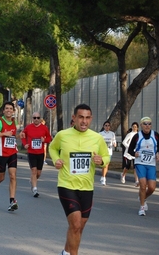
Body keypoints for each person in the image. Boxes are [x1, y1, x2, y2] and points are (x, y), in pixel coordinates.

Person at [49, 104, 109, 255]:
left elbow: (106, 156)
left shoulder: (97, 138)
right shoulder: (62, 135)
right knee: (75, 223)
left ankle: (66, 252)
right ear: (74, 118)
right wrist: (56, 160)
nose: (84, 121)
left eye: (87, 118)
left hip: (87, 187)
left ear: (91, 119)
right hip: (66, 184)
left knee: (79, 226)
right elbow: (52, 148)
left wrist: (101, 160)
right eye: (81, 117)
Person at [0, 101, 20, 211]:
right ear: (3, 111)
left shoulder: (14, 122)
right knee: (1, 177)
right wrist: (3, 134)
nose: (9, 110)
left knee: (13, 176)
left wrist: (20, 135)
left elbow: (13, 136)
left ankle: (12, 201)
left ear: (13, 111)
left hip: (12, 153)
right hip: (1, 153)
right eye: (7, 108)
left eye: (11, 109)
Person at [128, 117, 159, 216]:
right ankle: (142, 207)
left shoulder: (155, 135)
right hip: (140, 163)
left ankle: (143, 197)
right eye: (145, 124)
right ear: (141, 125)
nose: (147, 126)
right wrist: (135, 154)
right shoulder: (137, 136)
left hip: (151, 164)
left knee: (151, 188)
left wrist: (158, 153)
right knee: (143, 185)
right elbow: (130, 150)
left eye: (149, 124)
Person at [21, 112, 52, 197]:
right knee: (34, 171)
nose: (36, 119)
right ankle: (35, 189)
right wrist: (25, 144)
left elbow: (49, 138)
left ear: (40, 119)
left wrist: (44, 141)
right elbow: (22, 135)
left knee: (38, 173)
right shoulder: (28, 127)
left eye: (38, 118)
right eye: (34, 118)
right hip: (31, 153)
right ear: (32, 119)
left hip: (40, 153)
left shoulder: (44, 128)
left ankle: (32, 180)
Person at [122, 122, 140, 186]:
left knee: (135, 167)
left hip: (136, 153)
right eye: (133, 127)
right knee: (128, 165)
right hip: (129, 153)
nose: (134, 128)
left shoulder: (139, 134)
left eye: (135, 127)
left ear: (137, 128)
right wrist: (129, 147)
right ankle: (123, 175)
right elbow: (124, 142)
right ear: (131, 127)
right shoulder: (130, 134)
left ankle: (136, 181)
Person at [99, 121, 116, 185]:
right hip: (103, 152)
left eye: (108, 125)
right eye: (106, 125)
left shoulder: (112, 134)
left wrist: (114, 144)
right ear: (103, 126)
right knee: (105, 165)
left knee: (106, 166)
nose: (107, 127)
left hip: (109, 152)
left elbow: (114, 141)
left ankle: (103, 177)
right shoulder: (100, 134)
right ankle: (103, 178)